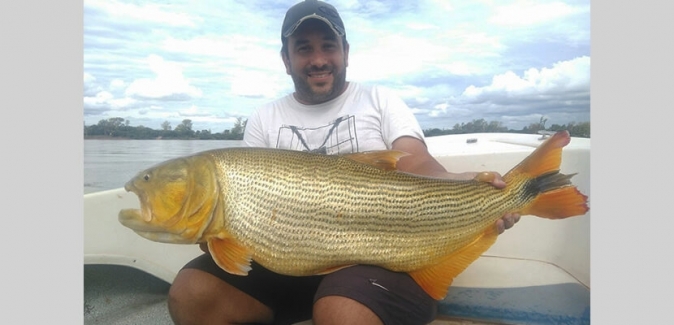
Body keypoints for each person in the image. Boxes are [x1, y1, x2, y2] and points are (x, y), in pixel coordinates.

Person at [168, 1, 520, 324]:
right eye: (304, 48)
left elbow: (418, 165)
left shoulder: (379, 99)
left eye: (329, 45)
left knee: (341, 313)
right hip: (289, 264)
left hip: (379, 259)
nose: (318, 59)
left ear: (346, 52)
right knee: (191, 294)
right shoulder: (265, 117)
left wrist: (471, 186)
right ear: (286, 59)